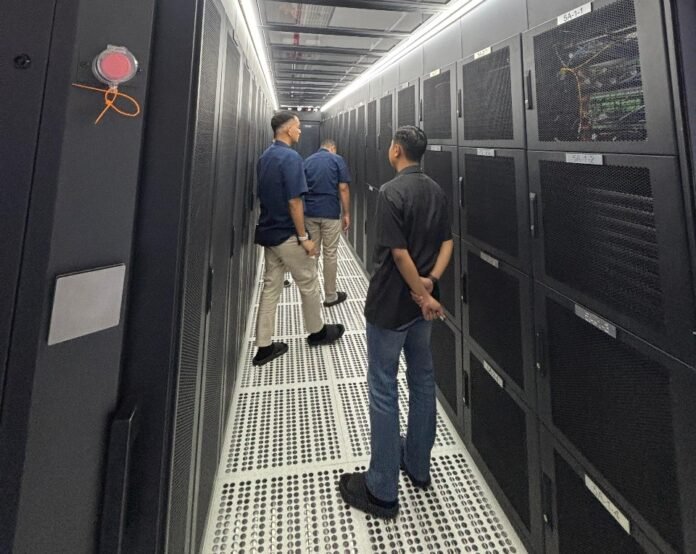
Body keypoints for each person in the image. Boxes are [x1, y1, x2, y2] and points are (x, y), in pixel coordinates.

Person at [339, 126, 453, 518]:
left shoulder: (391, 192)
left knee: (383, 387)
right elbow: (448, 242)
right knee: (422, 381)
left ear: (397, 150)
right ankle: (417, 466)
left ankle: (382, 489)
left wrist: (420, 293)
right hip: (422, 311)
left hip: (392, 306)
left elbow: (399, 255)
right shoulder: (435, 190)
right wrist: (431, 284)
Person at [252, 111, 345, 366]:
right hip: (287, 234)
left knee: (271, 286)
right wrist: (304, 237)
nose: (300, 131)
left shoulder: (265, 156)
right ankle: (317, 332)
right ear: (286, 130)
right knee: (308, 281)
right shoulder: (291, 157)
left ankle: (264, 346)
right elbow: (294, 202)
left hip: (269, 232)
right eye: (297, 126)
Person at [304, 139, 352, 307]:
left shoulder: (307, 161)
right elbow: (343, 188)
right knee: (330, 254)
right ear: (332, 148)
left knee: (313, 254)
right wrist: (346, 213)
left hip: (310, 213)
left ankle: (311, 296)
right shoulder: (337, 160)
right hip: (330, 212)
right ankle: (330, 296)